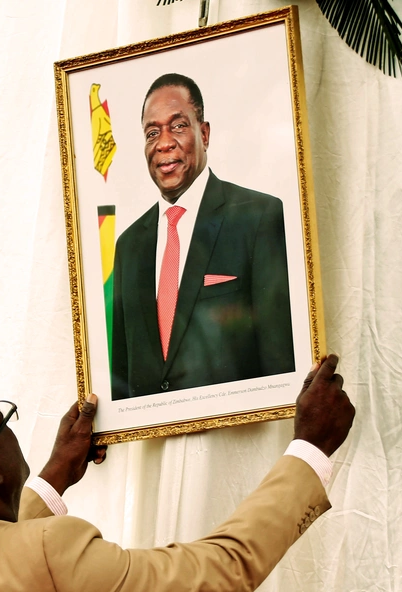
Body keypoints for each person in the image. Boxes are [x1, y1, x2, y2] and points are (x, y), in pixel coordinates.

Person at [0, 355, 355, 592]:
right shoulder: (52, 551)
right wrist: (309, 449)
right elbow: (224, 566)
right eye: (1, 420)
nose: (12, 427)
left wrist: (52, 478)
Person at [111, 73, 295, 400]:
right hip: (155, 446)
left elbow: (279, 360)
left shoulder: (258, 218)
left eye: (178, 126)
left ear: (204, 133)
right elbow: (122, 378)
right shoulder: (128, 246)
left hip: (234, 441)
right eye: (152, 132)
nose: (164, 142)